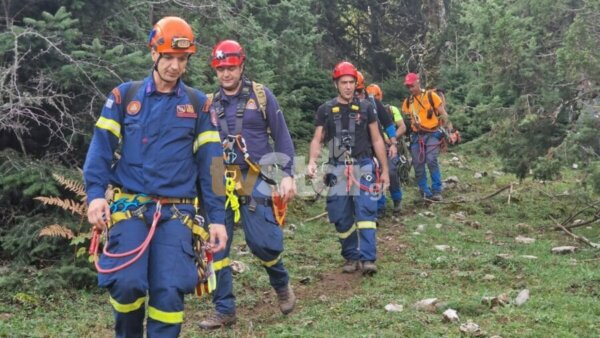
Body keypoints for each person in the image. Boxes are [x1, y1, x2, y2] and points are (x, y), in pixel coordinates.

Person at [83, 16, 227, 337]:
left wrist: (216, 217)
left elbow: (213, 165)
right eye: (169, 58)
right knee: (126, 283)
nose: (175, 66)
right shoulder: (124, 97)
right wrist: (95, 194)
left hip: (177, 213)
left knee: (170, 289)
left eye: (182, 59)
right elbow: (100, 150)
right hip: (130, 207)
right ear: (153, 54)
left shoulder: (199, 105)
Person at [198, 39, 297, 330]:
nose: (226, 74)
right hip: (218, 176)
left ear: (241, 66)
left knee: (263, 243)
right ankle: (224, 309)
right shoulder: (209, 104)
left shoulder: (261, 96)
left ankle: (281, 284)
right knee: (217, 246)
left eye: (231, 67)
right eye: (220, 69)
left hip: (255, 175)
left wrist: (288, 173)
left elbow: (282, 136)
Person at [307, 61, 390, 275]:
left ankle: (368, 259)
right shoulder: (325, 110)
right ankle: (351, 255)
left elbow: (377, 139)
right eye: (343, 82)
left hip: (363, 164)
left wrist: (385, 171)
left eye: (351, 82)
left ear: (356, 84)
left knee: (366, 212)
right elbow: (318, 138)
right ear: (336, 84)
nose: (348, 87)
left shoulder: (366, 108)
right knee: (340, 215)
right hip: (337, 168)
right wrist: (312, 162)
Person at [402, 72, 452, 201]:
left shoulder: (431, 96)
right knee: (418, 164)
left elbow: (443, 113)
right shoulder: (408, 102)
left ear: (418, 82)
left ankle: (437, 190)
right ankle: (424, 191)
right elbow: (406, 119)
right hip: (416, 136)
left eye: (412, 86)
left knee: (431, 159)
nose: (410, 89)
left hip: (433, 133)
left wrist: (450, 130)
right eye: (408, 87)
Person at [366, 83, 407, 213]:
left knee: (390, 171)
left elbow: (394, 126)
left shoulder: (388, 109)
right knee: (372, 174)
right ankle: (379, 205)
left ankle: (397, 199)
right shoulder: (362, 107)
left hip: (387, 146)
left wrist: (392, 142)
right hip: (369, 146)